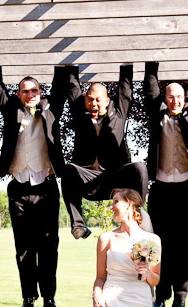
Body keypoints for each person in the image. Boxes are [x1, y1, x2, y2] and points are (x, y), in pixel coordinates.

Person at [0, 65, 67, 307]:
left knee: (48, 246)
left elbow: (61, 87)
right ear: (19, 94)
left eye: (34, 90)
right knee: (23, 248)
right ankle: (28, 297)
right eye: (25, 91)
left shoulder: (51, 109)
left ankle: (49, 298)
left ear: (41, 93)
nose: (30, 94)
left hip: (46, 188)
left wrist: (61, 65)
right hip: (19, 189)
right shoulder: (11, 110)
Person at [60, 64, 148, 239]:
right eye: (90, 100)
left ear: (107, 101)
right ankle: (78, 225)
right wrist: (70, 65)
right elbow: (72, 86)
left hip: (114, 179)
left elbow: (125, 89)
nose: (93, 104)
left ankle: (137, 215)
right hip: (88, 180)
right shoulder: (80, 113)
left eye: (98, 100)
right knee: (68, 170)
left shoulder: (119, 113)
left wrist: (126, 65)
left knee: (140, 168)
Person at [144, 61, 188, 307]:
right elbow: (150, 92)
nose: (175, 101)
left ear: (185, 98)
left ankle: (180, 294)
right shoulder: (157, 116)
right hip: (161, 188)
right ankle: (161, 294)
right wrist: (151, 67)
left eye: (179, 96)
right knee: (158, 243)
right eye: (170, 96)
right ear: (164, 99)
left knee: (185, 245)